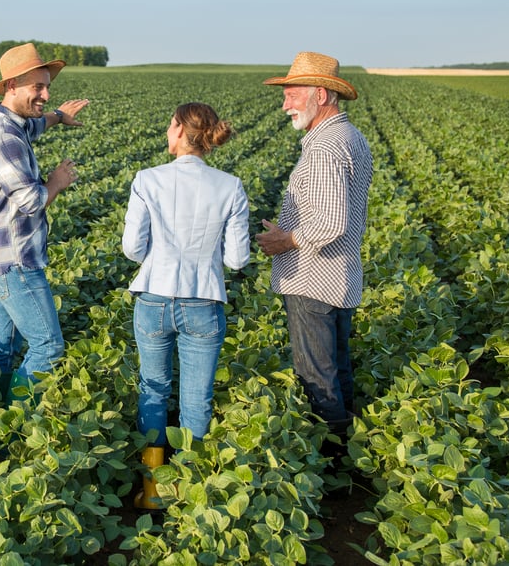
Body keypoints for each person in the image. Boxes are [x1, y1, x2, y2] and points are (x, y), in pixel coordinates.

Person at [122, 102, 250, 509]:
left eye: (169, 125)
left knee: (153, 390)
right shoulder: (230, 186)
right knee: (197, 399)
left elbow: (132, 248)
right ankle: (189, 494)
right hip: (204, 300)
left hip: (154, 296)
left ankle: (152, 491)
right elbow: (237, 260)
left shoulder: (147, 179)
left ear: (178, 130)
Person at [255, 51, 373, 440]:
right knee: (337, 369)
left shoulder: (324, 147)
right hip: (340, 276)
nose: (285, 104)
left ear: (320, 95)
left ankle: (331, 456)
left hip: (313, 280)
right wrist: (290, 227)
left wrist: (285, 239)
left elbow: (329, 222)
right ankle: (348, 449)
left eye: (292, 95)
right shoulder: (350, 136)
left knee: (316, 377)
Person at [0, 43, 90, 406]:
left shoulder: (11, 123)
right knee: (48, 347)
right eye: (37, 87)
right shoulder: (4, 137)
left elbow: (36, 125)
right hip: (15, 261)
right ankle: (16, 421)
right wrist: (56, 181)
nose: (45, 95)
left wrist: (58, 116)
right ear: (11, 86)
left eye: (47, 87)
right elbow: (31, 202)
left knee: (3, 348)